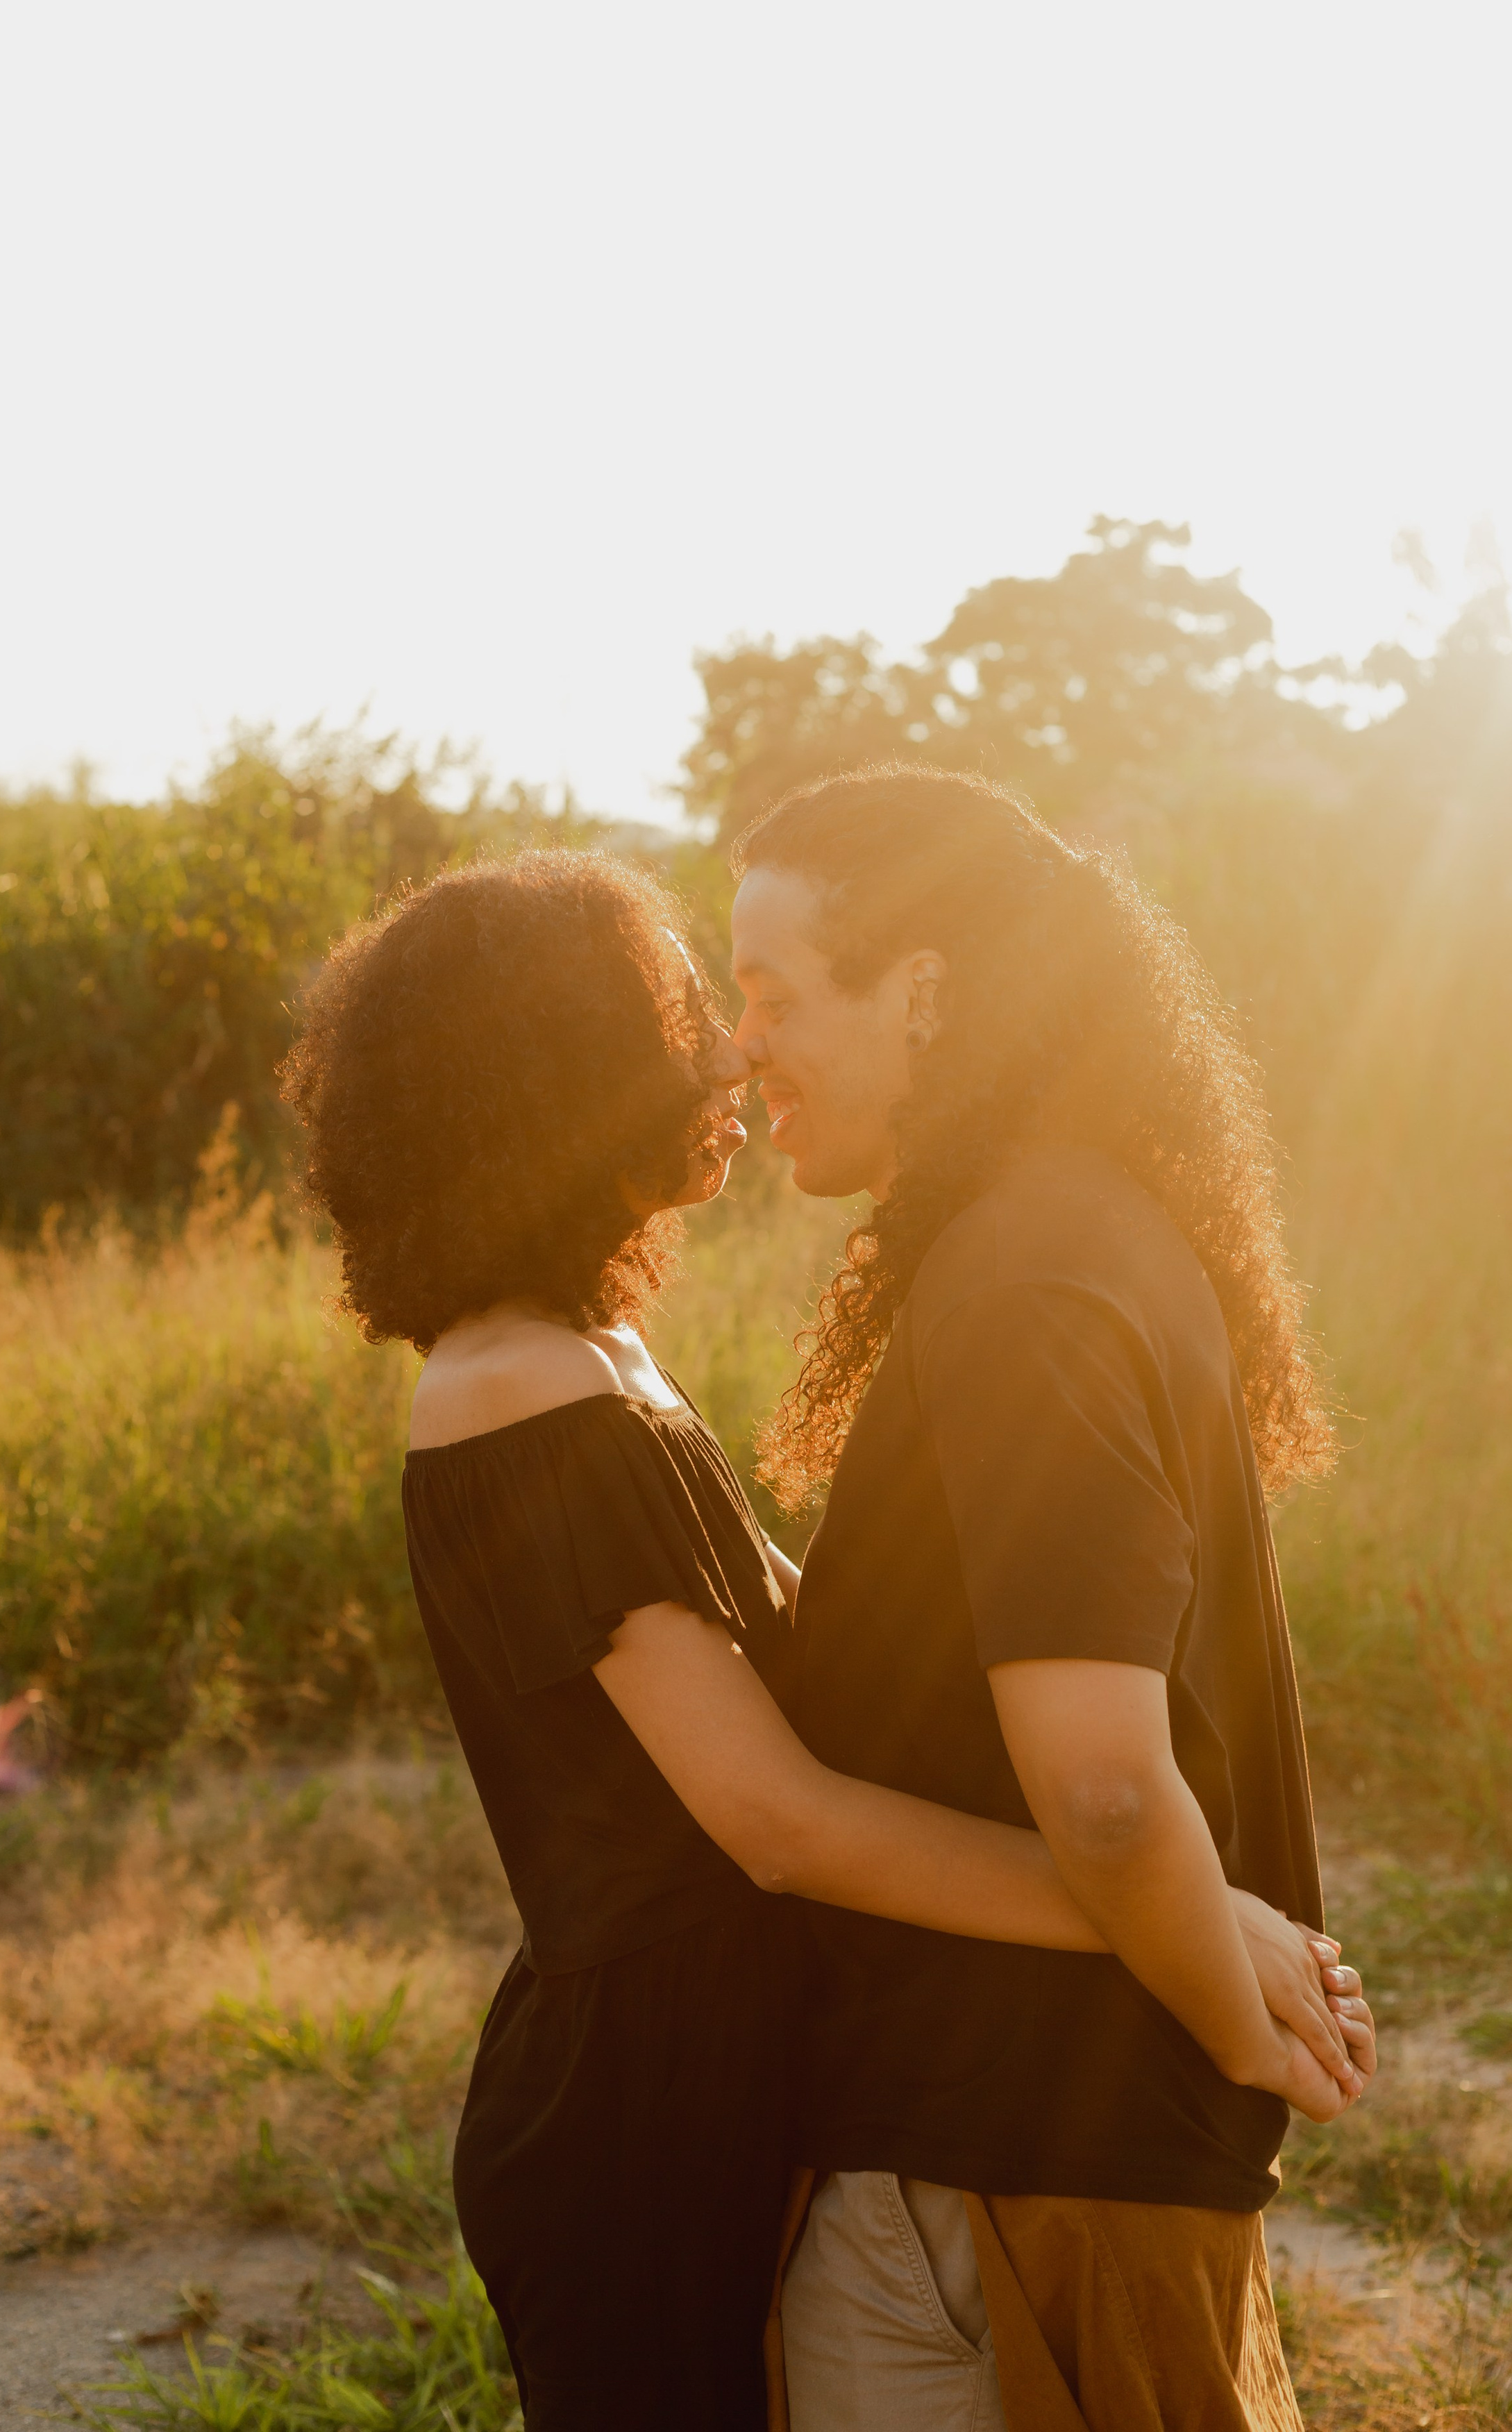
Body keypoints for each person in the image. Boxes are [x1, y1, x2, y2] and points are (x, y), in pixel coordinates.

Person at [279, 846, 1372, 2432]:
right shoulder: (510, 1386)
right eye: (675, 1017)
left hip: (735, 2061)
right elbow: (777, 1821)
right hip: (638, 2102)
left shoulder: (595, 1356)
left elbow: (822, 1640)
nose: (726, 1050)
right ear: (546, 1079)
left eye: (744, 1008)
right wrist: (1172, 1916)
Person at [730, 764, 1360, 2431]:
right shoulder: (1071, 1230)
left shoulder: (1022, 1272)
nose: (743, 1048)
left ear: (923, 995)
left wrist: (1237, 2022)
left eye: (776, 996)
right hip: (1043, 2145)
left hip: (994, 2157)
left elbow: (1095, 1777)